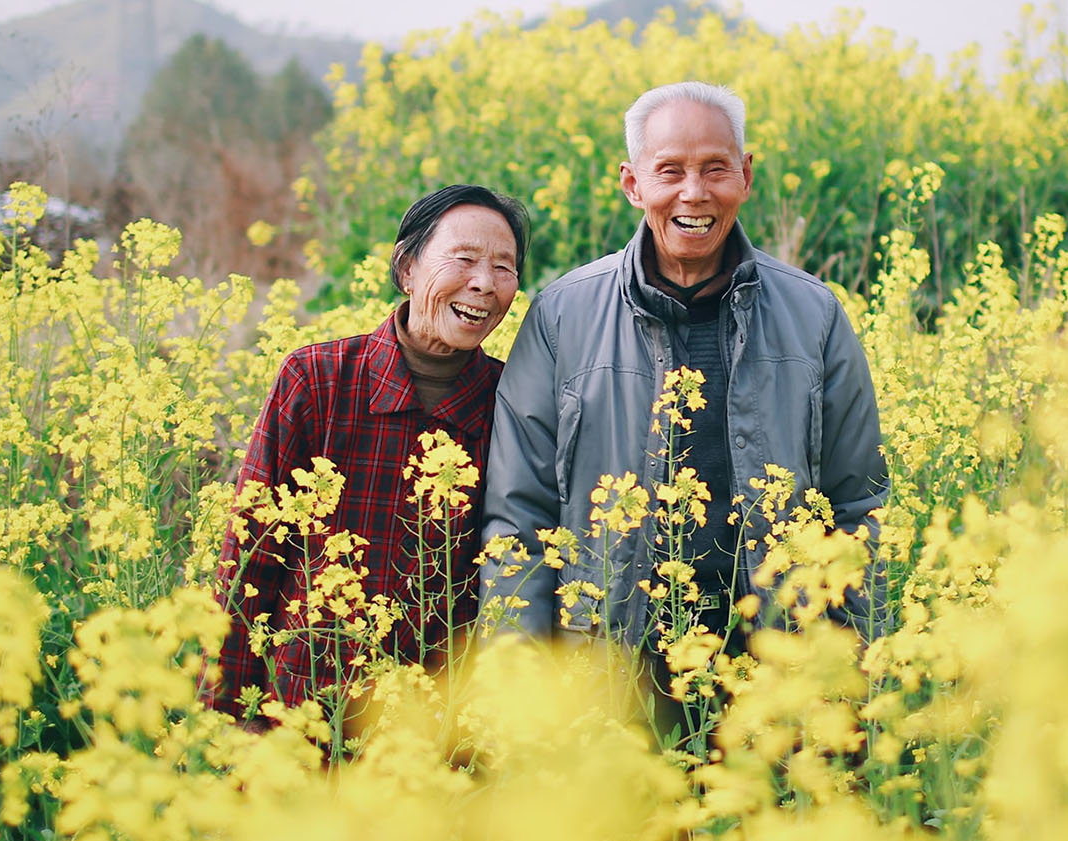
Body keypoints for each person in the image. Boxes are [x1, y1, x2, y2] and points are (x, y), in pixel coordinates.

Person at [479, 81, 888, 653]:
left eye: (716, 169)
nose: (693, 194)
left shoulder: (813, 315)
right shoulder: (561, 316)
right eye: (670, 171)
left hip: (777, 668)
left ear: (745, 176)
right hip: (607, 668)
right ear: (632, 183)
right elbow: (520, 515)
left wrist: (843, 671)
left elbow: (859, 505)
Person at [210, 184, 529, 722]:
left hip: (433, 736)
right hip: (303, 715)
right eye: (465, 259)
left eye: (504, 267)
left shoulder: (514, 401)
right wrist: (219, 723)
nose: (484, 283)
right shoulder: (317, 381)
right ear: (406, 269)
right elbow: (249, 561)